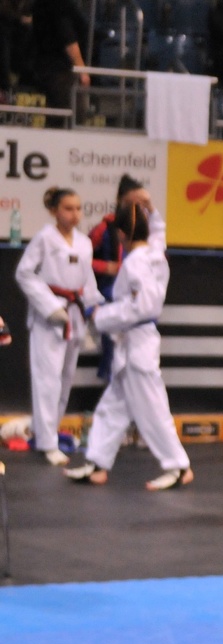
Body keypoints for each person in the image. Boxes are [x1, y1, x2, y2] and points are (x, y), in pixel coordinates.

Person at [63, 200, 192, 491]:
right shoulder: (155, 253)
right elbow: (159, 234)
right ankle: (97, 463)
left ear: (121, 234)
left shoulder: (135, 262)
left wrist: (101, 315)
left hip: (138, 343)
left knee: (153, 410)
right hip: (133, 343)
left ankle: (179, 466)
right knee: (112, 407)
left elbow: (142, 307)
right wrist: (153, 212)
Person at [15, 187, 104, 466]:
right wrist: (50, 306)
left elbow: (88, 280)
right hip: (49, 318)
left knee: (65, 379)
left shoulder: (84, 243)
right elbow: (24, 273)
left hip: (75, 314)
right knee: (47, 380)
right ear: (55, 211)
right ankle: (46, 443)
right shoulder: (45, 237)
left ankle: (49, 433)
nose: (75, 214)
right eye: (68, 208)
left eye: (78, 208)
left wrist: (94, 306)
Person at [90, 176, 150, 303]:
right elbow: (81, 260)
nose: (135, 209)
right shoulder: (103, 229)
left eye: (140, 204)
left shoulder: (149, 230)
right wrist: (105, 267)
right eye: (130, 204)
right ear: (119, 201)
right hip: (108, 299)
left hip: (139, 300)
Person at [31, 0, 90, 116]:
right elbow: (68, 38)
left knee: (55, 112)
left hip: (45, 66)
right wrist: (81, 69)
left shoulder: (41, 4)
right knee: (72, 112)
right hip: (61, 70)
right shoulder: (59, 5)